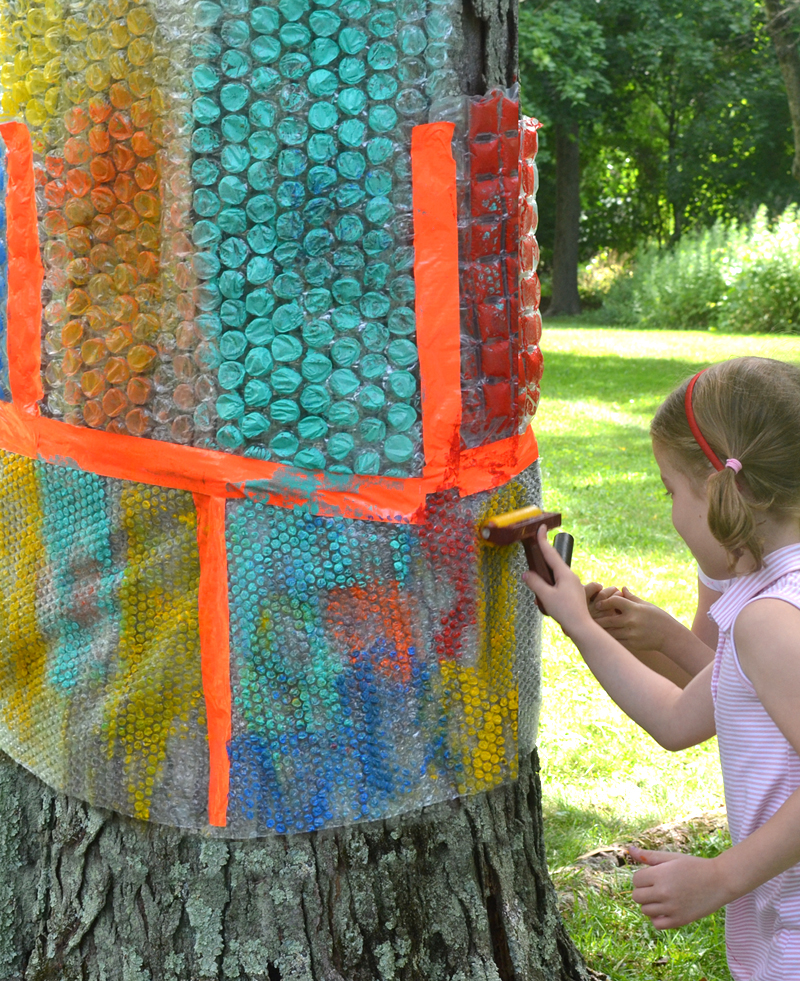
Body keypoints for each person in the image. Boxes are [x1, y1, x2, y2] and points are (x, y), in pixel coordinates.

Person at [525, 357, 800, 980]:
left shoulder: (771, 619)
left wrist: (718, 877)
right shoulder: (768, 600)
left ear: (724, 490)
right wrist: (582, 624)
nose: (673, 512)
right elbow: (676, 719)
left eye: (671, 491)